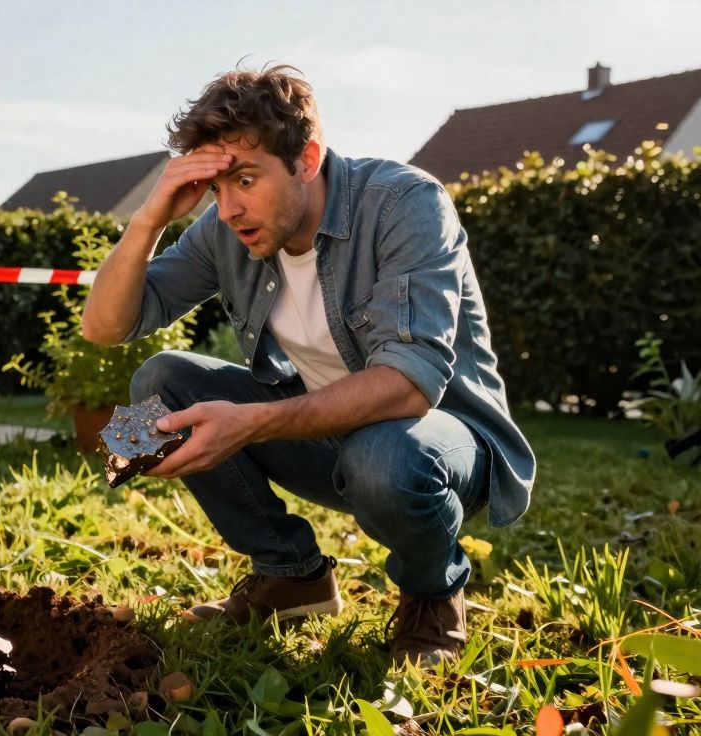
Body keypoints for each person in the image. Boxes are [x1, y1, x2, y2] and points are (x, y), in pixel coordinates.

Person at [80, 65, 536, 664]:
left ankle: (432, 595)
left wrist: (250, 424)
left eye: (246, 179)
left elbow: (410, 385)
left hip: (434, 445)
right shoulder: (226, 229)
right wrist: (149, 220)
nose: (229, 208)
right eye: (217, 188)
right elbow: (105, 326)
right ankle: (292, 576)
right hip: (328, 440)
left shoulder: (405, 202)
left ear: (308, 159)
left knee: (384, 455)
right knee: (160, 380)